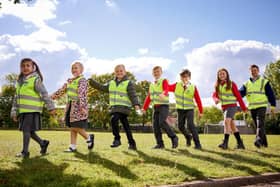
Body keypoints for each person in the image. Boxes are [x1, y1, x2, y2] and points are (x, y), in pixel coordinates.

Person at [11, 58, 55, 158]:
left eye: (28, 65)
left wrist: (50, 107)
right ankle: (43, 143)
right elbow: (16, 98)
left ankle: (25, 152)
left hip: (32, 110)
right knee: (29, 131)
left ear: (33, 67)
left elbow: (44, 93)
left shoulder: (35, 79)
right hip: (23, 111)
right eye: (23, 66)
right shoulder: (20, 82)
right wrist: (14, 112)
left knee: (26, 130)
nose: (25, 67)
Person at [88, 64, 140, 150]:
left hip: (124, 108)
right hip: (115, 108)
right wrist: (92, 82)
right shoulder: (111, 83)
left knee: (114, 119)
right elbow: (102, 87)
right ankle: (132, 143)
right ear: (114, 73)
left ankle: (117, 139)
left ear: (125, 72)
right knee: (125, 126)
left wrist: (136, 105)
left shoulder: (128, 83)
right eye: (117, 71)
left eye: (121, 71)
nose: (119, 72)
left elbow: (133, 95)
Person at [52, 61, 94, 152]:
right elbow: (61, 91)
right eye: (72, 68)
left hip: (78, 106)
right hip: (70, 106)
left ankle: (88, 137)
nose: (74, 70)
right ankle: (72, 146)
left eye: (76, 68)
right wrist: (52, 96)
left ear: (81, 70)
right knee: (72, 126)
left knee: (76, 126)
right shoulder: (70, 81)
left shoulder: (82, 80)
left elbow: (82, 94)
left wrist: (82, 106)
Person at [239, 64, 276, 148]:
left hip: (262, 105)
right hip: (252, 107)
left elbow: (270, 94)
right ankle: (264, 144)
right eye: (252, 71)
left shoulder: (264, 81)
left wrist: (273, 105)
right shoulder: (247, 83)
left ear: (258, 71)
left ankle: (258, 140)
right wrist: (232, 95)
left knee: (260, 124)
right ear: (250, 72)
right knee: (258, 126)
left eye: (255, 70)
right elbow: (240, 93)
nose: (253, 72)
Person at [142, 66, 178, 149]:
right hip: (155, 107)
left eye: (158, 71)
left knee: (162, 122)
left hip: (164, 106)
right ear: (152, 74)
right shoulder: (151, 85)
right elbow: (149, 97)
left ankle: (173, 137)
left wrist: (164, 94)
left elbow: (166, 89)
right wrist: (144, 108)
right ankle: (160, 144)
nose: (156, 73)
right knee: (155, 126)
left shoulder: (164, 80)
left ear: (161, 72)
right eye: (154, 72)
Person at [212, 68, 246, 149]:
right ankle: (240, 144)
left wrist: (243, 107)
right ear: (218, 76)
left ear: (227, 75)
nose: (222, 75)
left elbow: (238, 96)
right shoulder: (217, 85)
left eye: (223, 73)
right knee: (232, 125)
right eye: (220, 74)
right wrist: (216, 99)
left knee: (226, 122)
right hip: (224, 107)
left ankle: (225, 143)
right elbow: (214, 95)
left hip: (232, 106)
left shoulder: (231, 84)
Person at [169, 69, 203, 149]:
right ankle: (188, 137)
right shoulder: (176, 85)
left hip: (189, 109)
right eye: (183, 77)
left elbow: (198, 99)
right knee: (180, 127)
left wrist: (201, 111)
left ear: (189, 77)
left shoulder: (193, 87)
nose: (185, 78)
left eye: (186, 76)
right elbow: (167, 87)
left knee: (191, 125)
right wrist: (165, 83)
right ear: (180, 77)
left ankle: (198, 144)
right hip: (180, 109)